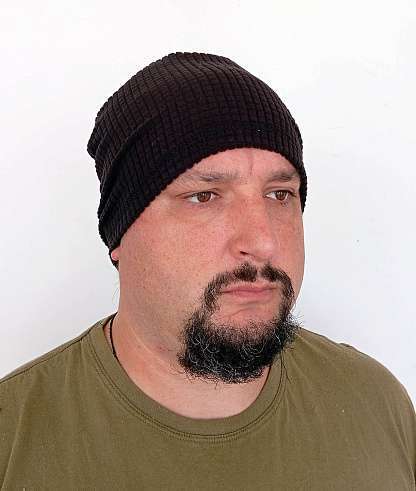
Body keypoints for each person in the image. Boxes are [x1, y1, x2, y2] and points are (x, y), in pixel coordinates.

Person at [0, 52, 415, 489]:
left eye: (279, 194)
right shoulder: (13, 440)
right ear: (121, 234)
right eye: (204, 196)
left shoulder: (377, 407)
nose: (263, 242)